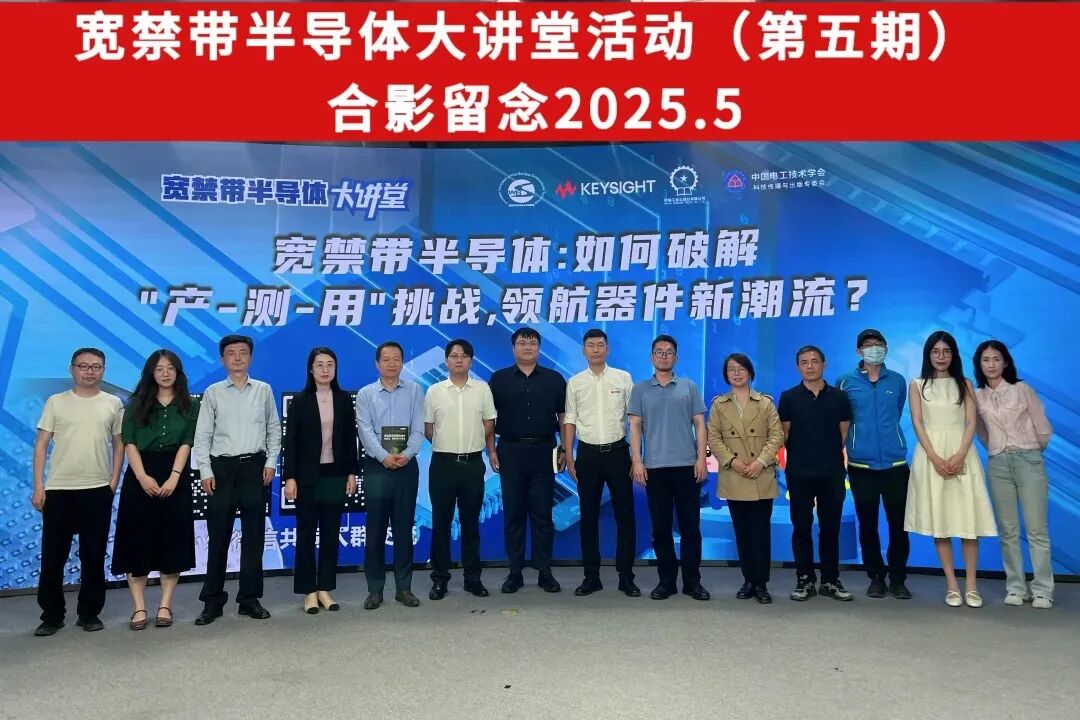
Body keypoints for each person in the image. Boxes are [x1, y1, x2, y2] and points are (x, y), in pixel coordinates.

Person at [32, 348, 124, 636]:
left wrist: (113, 481)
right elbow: (41, 445)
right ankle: (51, 616)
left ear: (103, 370)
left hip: (97, 489)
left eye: (96, 366)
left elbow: (119, 444)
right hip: (58, 490)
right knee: (53, 557)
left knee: (93, 555)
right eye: (83, 366)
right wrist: (39, 486)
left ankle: (89, 613)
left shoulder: (113, 403)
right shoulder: (56, 402)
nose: (89, 371)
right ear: (71, 369)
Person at [193, 335, 281, 625]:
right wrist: (205, 471)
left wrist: (270, 462)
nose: (238, 357)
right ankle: (212, 601)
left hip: (255, 468)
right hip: (222, 470)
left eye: (243, 352)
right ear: (222, 359)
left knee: (254, 537)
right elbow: (202, 436)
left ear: (251, 357)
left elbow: (273, 430)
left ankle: (249, 599)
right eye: (231, 353)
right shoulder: (213, 392)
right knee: (218, 537)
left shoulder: (264, 390)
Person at [905, 331, 997, 608]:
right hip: (930, 455)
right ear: (928, 355)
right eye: (935, 352)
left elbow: (971, 423)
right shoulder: (917, 385)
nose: (941, 357)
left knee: (969, 523)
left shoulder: (965, 384)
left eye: (946, 352)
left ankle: (972, 586)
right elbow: (918, 423)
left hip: (963, 455)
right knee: (941, 523)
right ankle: (952, 586)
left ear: (954, 355)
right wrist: (934, 457)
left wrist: (959, 454)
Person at [111, 349, 199, 631]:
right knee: (137, 541)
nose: (165, 373)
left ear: (178, 372)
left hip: (175, 473)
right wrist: (141, 476)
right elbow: (129, 442)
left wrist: (174, 477)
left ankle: (165, 605)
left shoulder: (190, 405)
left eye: (170, 368)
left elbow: (187, 442)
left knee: (172, 541)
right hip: (141, 474)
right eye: (159, 368)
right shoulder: (135, 404)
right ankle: (138, 607)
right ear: (151, 372)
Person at [973, 340, 1054, 609]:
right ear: (979, 364)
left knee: (1036, 529)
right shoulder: (977, 396)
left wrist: (1030, 450)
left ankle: (1042, 589)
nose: (991, 364)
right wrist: (997, 449)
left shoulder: (1022, 390)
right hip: (998, 464)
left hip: (1029, 460)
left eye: (996, 359)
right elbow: (981, 431)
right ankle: (1016, 587)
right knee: (1008, 531)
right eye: (986, 360)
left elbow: (1043, 428)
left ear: (1006, 362)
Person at [629, 335, 710, 601]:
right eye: (659, 352)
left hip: (687, 467)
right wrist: (637, 460)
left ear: (676, 357)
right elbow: (635, 427)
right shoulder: (640, 389)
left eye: (669, 352)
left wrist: (701, 459)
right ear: (651, 357)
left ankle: (692, 582)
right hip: (654, 469)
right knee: (661, 529)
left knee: (690, 529)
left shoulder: (688, 386)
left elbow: (700, 424)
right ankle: (666, 581)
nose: (664, 356)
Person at [489, 327, 567, 594]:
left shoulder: (554, 379)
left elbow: (563, 417)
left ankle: (545, 572)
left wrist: (565, 449)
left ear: (539, 348)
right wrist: (491, 450)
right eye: (522, 343)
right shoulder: (499, 379)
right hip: (510, 451)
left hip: (544, 451)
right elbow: (488, 418)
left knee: (542, 514)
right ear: (513, 348)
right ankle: (515, 572)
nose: (527, 347)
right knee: (513, 514)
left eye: (532, 343)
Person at [282, 347, 359, 614]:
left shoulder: (344, 399)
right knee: (305, 534)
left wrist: (352, 473)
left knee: (330, 534)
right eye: (319, 365)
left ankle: (325, 588)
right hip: (306, 477)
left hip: (335, 475)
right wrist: (289, 477)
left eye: (330, 365)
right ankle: (308, 591)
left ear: (336, 369)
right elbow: (290, 443)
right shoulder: (300, 401)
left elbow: (350, 439)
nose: (325, 369)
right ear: (311, 369)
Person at [562, 329, 638, 598]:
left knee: (625, 516)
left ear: (608, 349)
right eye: (590, 345)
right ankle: (591, 577)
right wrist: (569, 456)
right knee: (588, 518)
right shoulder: (575, 382)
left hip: (618, 453)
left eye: (600, 345)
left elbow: (634, 419)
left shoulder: (623, 378)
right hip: (588, 455)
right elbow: (569, 420)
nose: (595, 349)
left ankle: (626, 577)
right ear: (583, 350)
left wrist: (637, 457)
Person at [837, 329, 912, 600]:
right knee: (867, 526)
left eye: (879, 344)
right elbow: (843, 420)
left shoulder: (898, 380)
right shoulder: (845, 382)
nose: (874, 348)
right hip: (862, 467)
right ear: (859, 351)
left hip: (895, 465)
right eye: (868, 345)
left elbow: (897, 412)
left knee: (899, 526)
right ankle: (876, 577)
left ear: (886, 348)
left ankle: (898, 578)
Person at [778, 345, 855, 602]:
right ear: (798, 367)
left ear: (824, 364)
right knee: (801, 528)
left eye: (814, 361)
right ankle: (805, 579)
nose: (810, 366)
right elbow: (785, 435)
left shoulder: (839, 397)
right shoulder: (788, 397)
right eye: (804, 362)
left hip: (831, 472)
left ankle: (831, 580)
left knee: (830, 529)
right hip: (799, 472)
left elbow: (843, 434)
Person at [707, 353, 784, 604]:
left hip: (761, 474)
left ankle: (761, 584)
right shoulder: (719, 405)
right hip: (734, 475)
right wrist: (733, 461)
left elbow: (777, 436)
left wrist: (760, 461)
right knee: (742, 532)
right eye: (731, 369)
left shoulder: (765, 403)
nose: (737, 373)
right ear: (726, 375)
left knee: (760, 532)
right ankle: (748, 580)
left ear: (750, 373)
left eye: (741, 369)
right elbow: (713, 438)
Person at [424, 339, 497, 600]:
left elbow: (489, 424)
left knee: (470, 524)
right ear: (446, 360)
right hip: (442, 464)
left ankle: (472, 579)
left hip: (472, 464)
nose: (458, 360)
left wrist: (473, 443)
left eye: (464, 356)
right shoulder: (434, 391)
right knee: (441, 524)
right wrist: (449, 445)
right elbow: (429, 429)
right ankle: (439, 579)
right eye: (454, 356)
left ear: (471, 361)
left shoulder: (482, 389)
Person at [356, 341, 425, 609]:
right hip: (377, 467)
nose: (392, 364)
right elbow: (365, 431)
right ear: (377, 364)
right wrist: (384, 456)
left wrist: (406, 454)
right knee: (375, 530)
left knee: (403, 529)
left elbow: (418, 429)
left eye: (396, 359)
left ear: (402, 362)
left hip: (406, 466)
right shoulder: (366, 394)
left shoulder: (415, 390)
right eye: (386, 359)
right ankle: (374, 590)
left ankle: (404, 588)